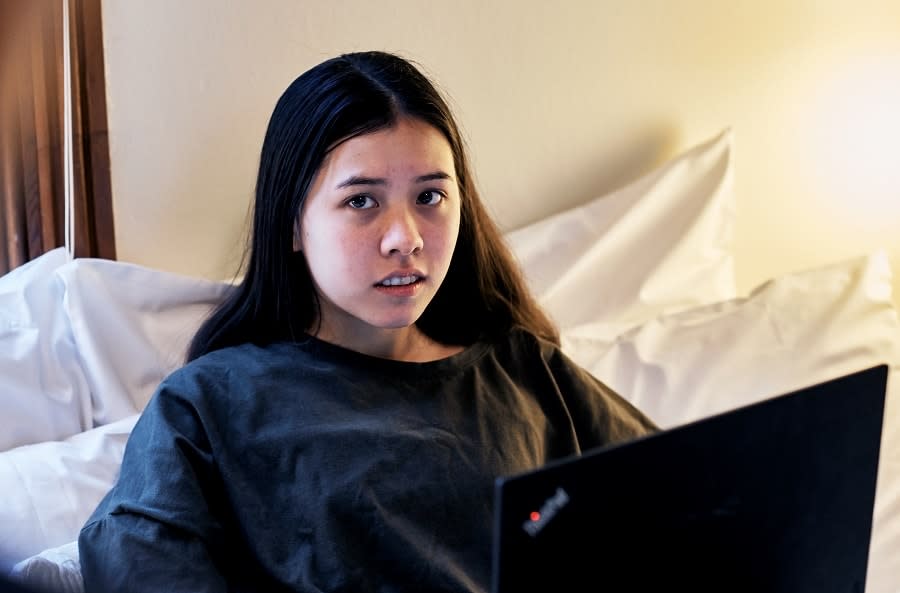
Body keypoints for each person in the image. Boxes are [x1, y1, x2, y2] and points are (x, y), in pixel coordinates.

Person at [78, 50, 657, 593]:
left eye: (430, 197)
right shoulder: (207, 406)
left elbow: (692, 501)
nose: (405, 238)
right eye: (362, 201)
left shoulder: (528, 371)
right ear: (292, 225)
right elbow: (139, 562)